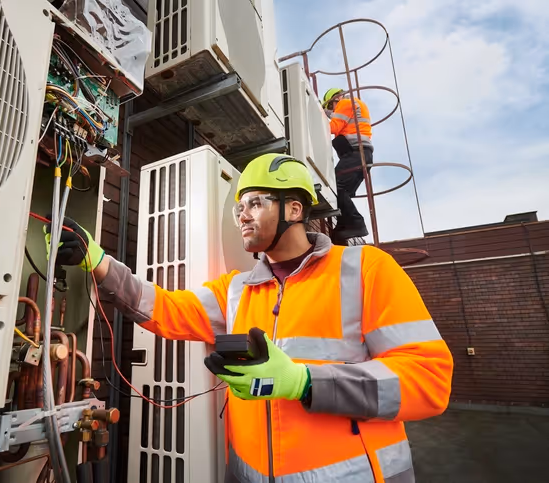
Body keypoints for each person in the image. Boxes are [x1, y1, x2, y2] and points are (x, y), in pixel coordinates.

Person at [49, 153, 454, 483]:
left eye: (256, 202)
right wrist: (98, 262)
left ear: (295, 208)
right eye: (239, 206)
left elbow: (428, 380)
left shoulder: (365, 269)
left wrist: (306, 382)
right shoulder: (237, 288)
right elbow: (167, 308)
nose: (242, 214)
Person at [322, 87, 374, 243]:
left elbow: (333, 127)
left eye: (330, 106)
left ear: (334, 99)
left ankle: (356, 223)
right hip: (361, 155)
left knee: (335, 185)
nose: (333, 110)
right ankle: (343, 228)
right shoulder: (353, 105)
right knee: (342, 193)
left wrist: (319, 116)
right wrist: (325, 112)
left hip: (356, 154)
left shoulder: (345, 102)